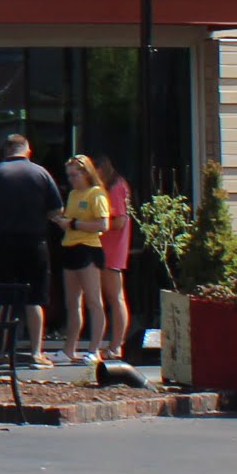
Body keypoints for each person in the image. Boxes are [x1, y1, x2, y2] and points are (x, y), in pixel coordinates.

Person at [0, 134, 64, 362]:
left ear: (6, 151)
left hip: (2, 241)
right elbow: (56, 211)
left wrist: (0, 215)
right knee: (35, 299)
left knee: (2, 299)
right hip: (34, 242)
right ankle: (36, 352)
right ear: (27, 150)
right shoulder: (41, 173)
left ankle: (2, 351)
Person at [56, 155, 113, 365]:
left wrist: (73, 224)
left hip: (88, 248)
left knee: (93, 301)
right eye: (69, 175)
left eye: (74, 174)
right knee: (72, 302)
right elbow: (70, 221)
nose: (71, 179)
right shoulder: (72, 194)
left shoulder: (96, 194)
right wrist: (62, 221)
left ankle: (94, 349)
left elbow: (103, 224)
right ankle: (69, 348)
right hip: (69, 247)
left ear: (86, 173)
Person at [93, 152, 138, 362]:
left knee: (115, 296)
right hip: (102, 247)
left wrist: (92, 225)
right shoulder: (105, 187)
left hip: (112, 248)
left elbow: (119, 220)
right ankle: (110, 343)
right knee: (107, 296)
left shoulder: (117, 187)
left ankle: (117, 344)